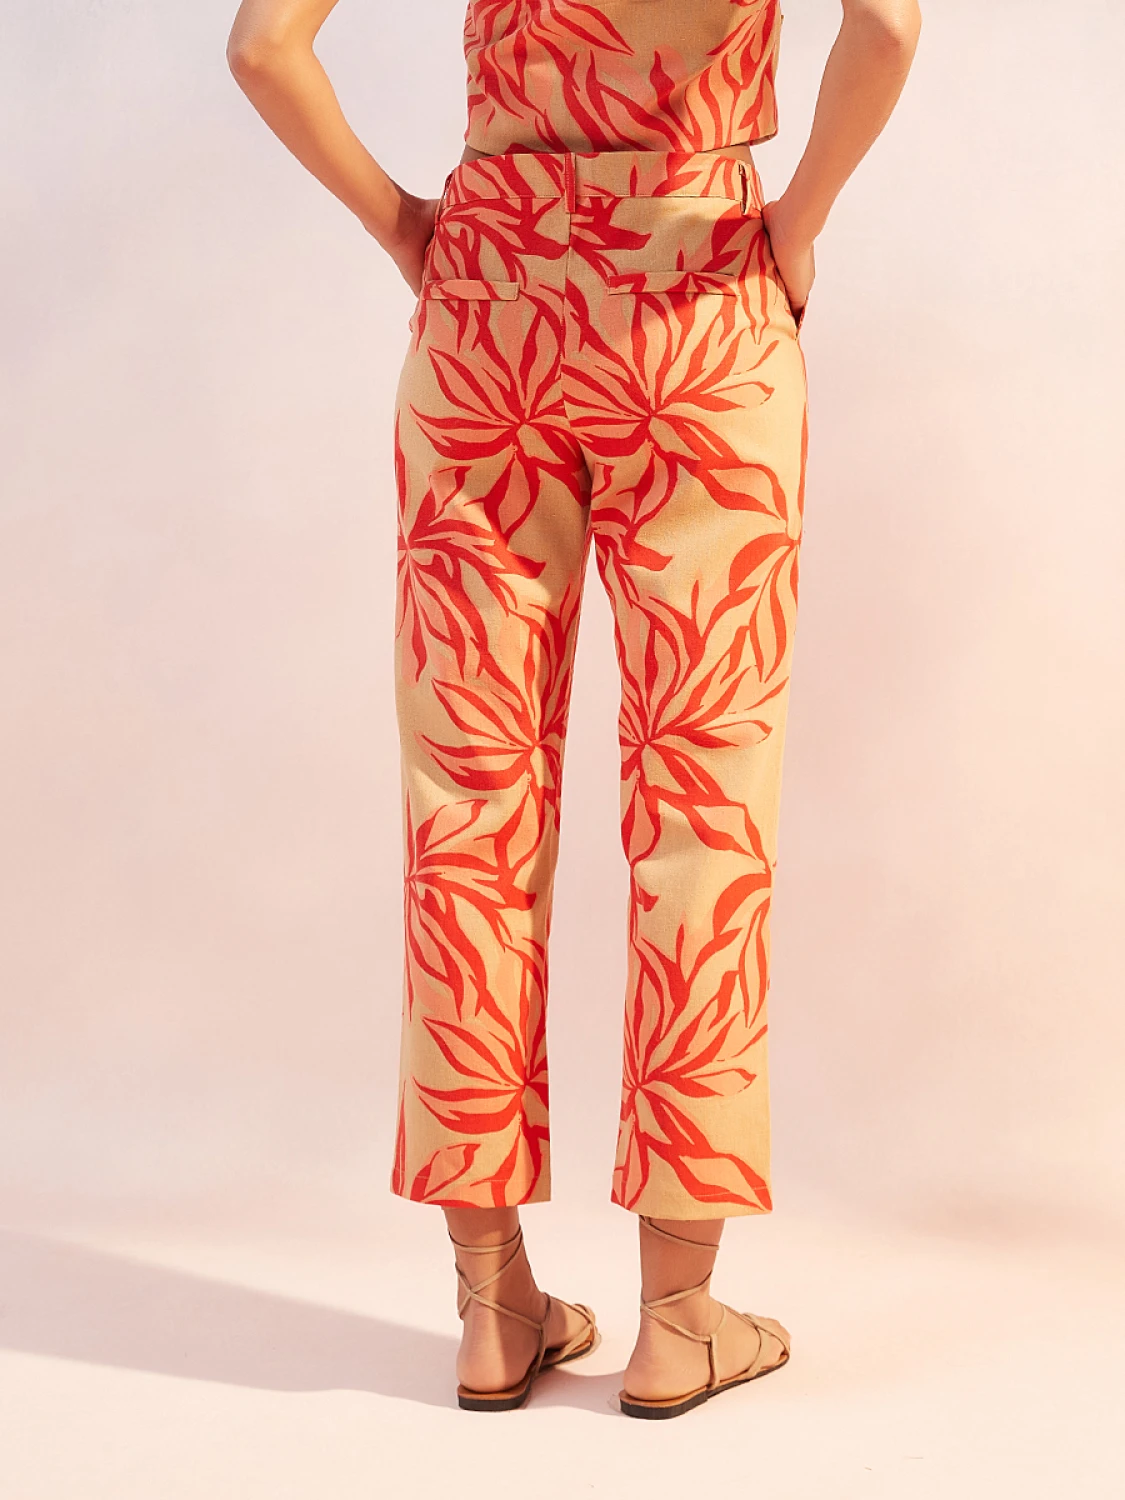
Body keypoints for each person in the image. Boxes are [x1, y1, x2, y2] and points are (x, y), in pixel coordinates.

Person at [227, 0, 921, 1419]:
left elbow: (262, 47)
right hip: (700, 305)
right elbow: (890, 27)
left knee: (468, 809)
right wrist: (796, 226)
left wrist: (406, 227)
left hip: (489, 312)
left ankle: (494, 1305)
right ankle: (678, 1316)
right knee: (704, 809)